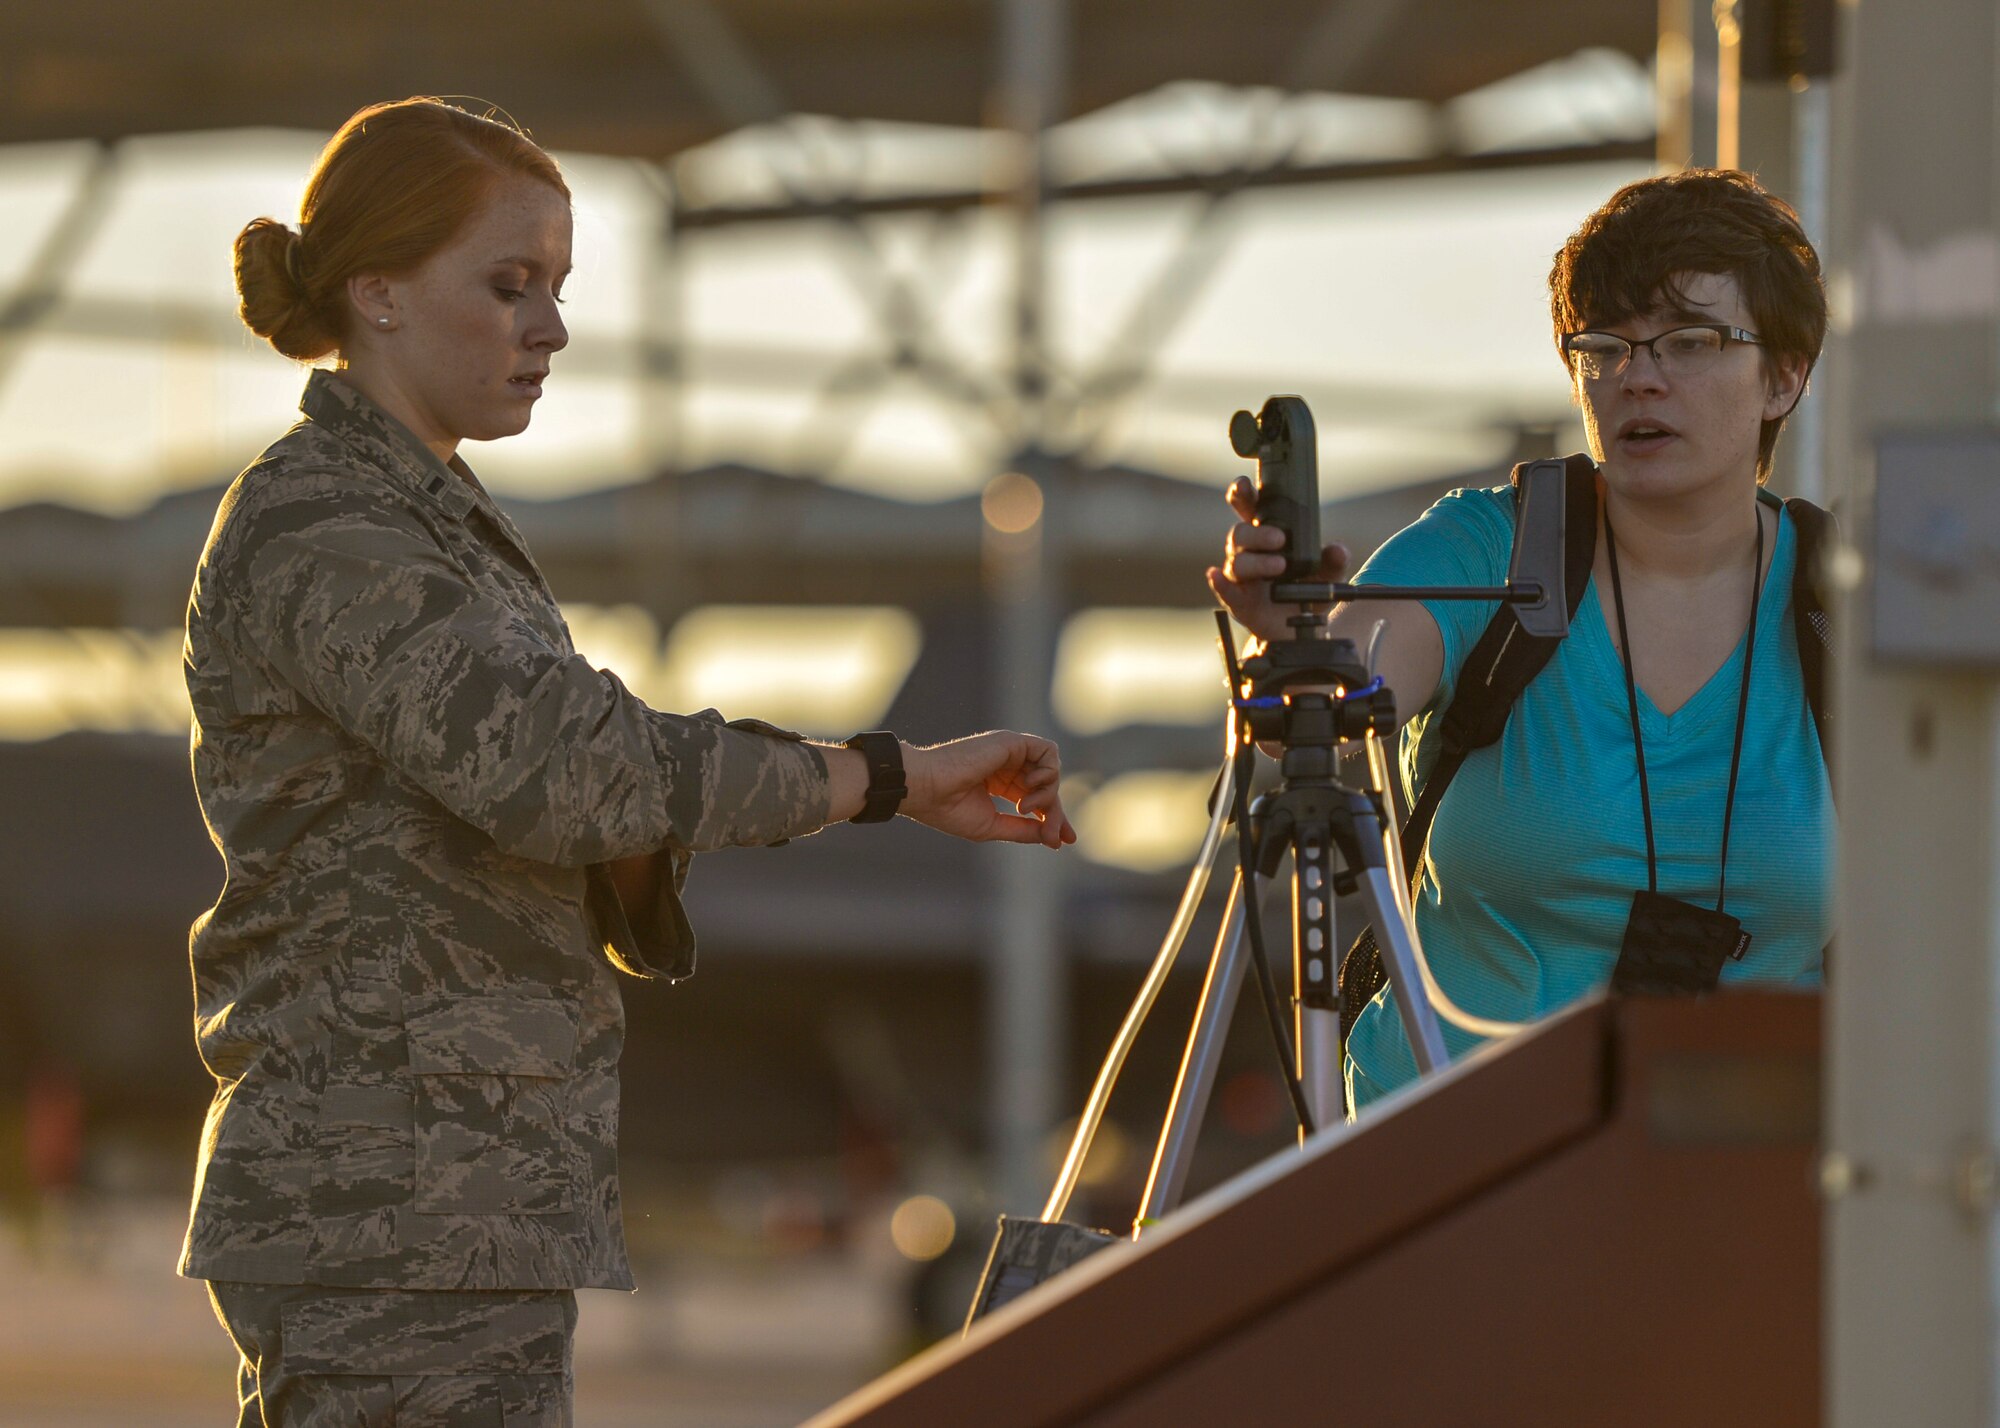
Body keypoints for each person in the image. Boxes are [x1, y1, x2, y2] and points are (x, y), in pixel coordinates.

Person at [184, 97, 1075, 1427]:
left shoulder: (430, 523)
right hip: (387, 1210)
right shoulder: (331, 527)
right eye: (508, 284)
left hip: (447, 1203)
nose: (549, 327)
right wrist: (884, 778)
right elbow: (566, 772)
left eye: (557, 286)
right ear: (375, 292)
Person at [1209, 168, 1832, 1113]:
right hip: (1455, 1172)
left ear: (1785, 375)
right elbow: (1358, 668)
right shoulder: (1491, 546)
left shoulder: (1842, 601)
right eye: (1603, 346)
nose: (1639, 375)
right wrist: (1294, 640)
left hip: (1741, 1187)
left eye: (1691, 341)